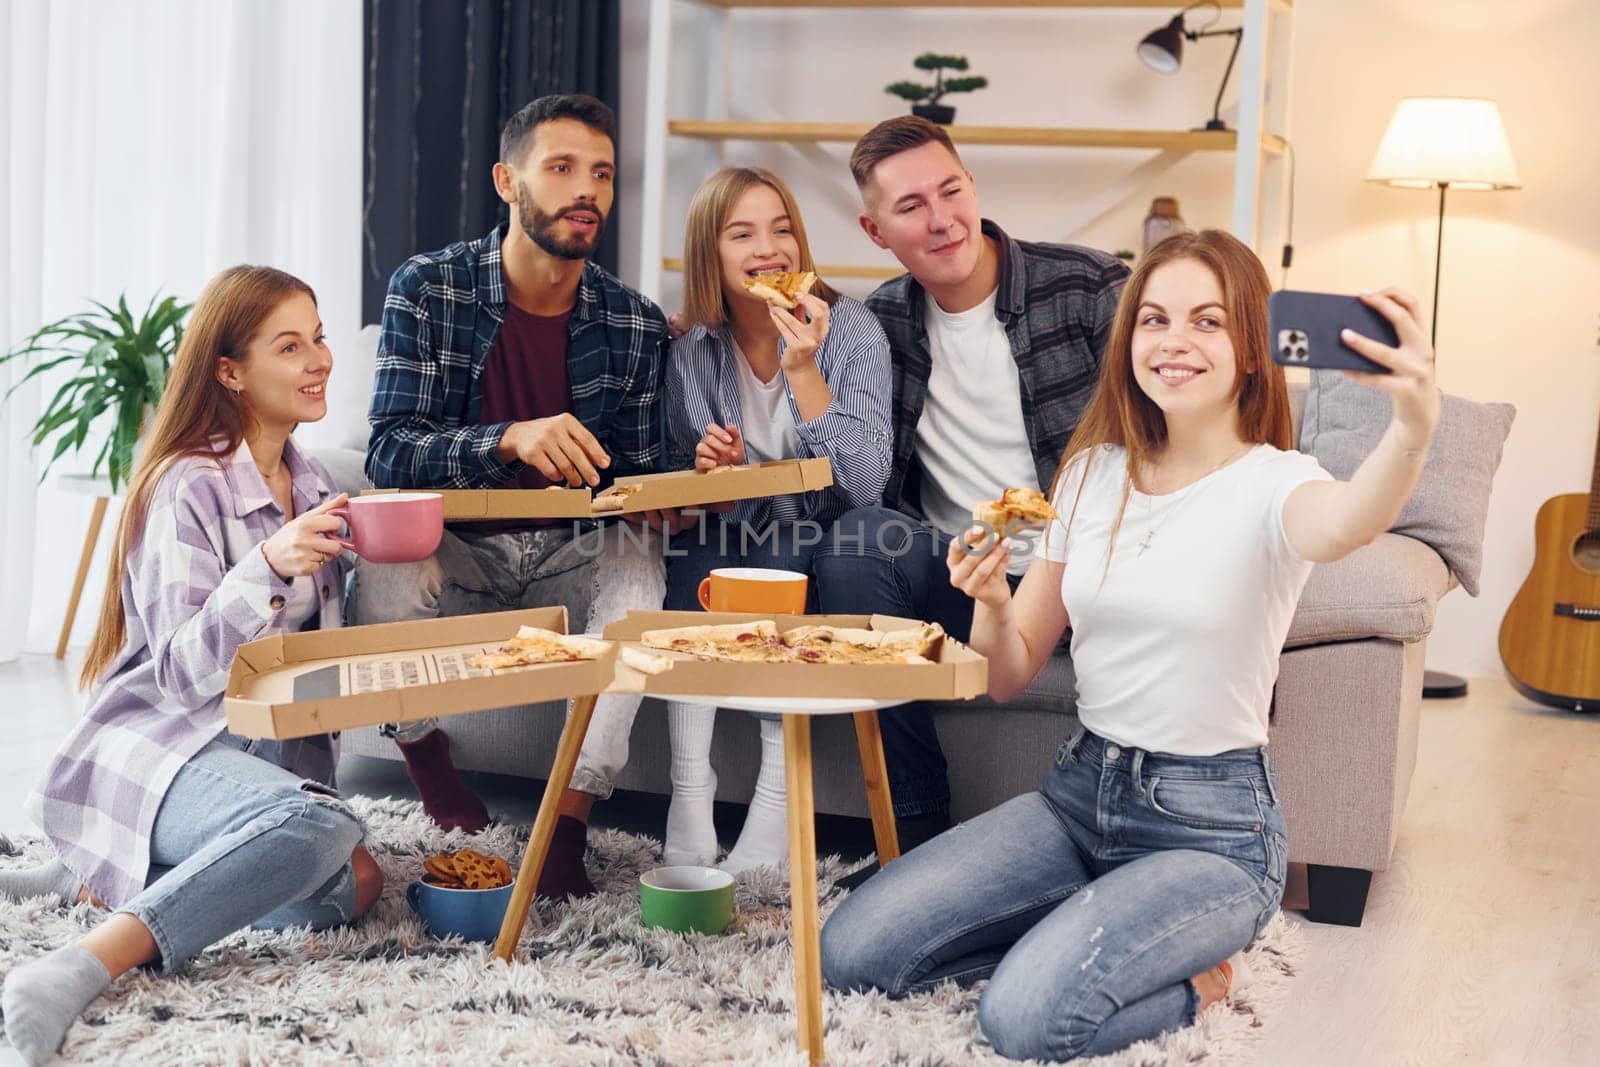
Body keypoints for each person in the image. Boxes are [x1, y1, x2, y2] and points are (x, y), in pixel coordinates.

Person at [820, 230, 1439, 1061]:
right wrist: (993, 601)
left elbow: (1349, 520)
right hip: (1079, 796)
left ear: (1252, 350)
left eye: (1208, 322)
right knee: (852, 952)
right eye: (1154, 318)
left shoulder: (1279, 483)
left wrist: (1412, 429)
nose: (1174, 340)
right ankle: (1082, 928)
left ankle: (1198, 975)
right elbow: (1006, 675)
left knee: (1024, 1020)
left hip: (1211, 830)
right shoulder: (1089, 473)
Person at [0, 267, 383, 1066]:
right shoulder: (187, 485)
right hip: (167, 744)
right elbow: (180, 675)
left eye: (318, 337)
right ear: (230, 370)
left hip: (262, 756)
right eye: (290, 345)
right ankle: (74, 968)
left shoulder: (314, 484)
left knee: (354, 887)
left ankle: (106, 873)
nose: (319, 359)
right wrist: (269, 568)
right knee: (319, 825)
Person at [349, 93, 679, 900]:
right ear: (508, 180)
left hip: (573, 553)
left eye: (600, 174)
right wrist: (508, 438)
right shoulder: (427, 290)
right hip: (460, 549)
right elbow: (389, 451)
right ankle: (424, 752)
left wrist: (673, 487)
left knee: (639, 567)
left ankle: (568, 819)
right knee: (388, 555)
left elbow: (634, 474)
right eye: (561, 168)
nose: (586, 191)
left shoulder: (634, 321)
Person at [809, 116, 1130, 874]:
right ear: (876, 229)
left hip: (1084, 577)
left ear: (973, 188)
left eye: (950, 191)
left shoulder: (1091, 290)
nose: (942, 218)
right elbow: (851, 467)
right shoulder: (877, 324)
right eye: (911, 205)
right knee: (857, 542)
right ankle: (914, 836)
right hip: (959, 578)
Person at [660, 167, 892, 872]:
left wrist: (802, 370)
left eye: (781, 227)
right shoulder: (692, 350)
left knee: (780, 561)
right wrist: (709, 473)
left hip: (820, 535)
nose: (770, 247)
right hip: (728, 532)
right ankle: (689, 792)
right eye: (743, 233)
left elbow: (865, 482)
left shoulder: (851, 332)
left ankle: (775, 804)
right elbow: (681, 489)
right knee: (694, 560)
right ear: (713, 254)